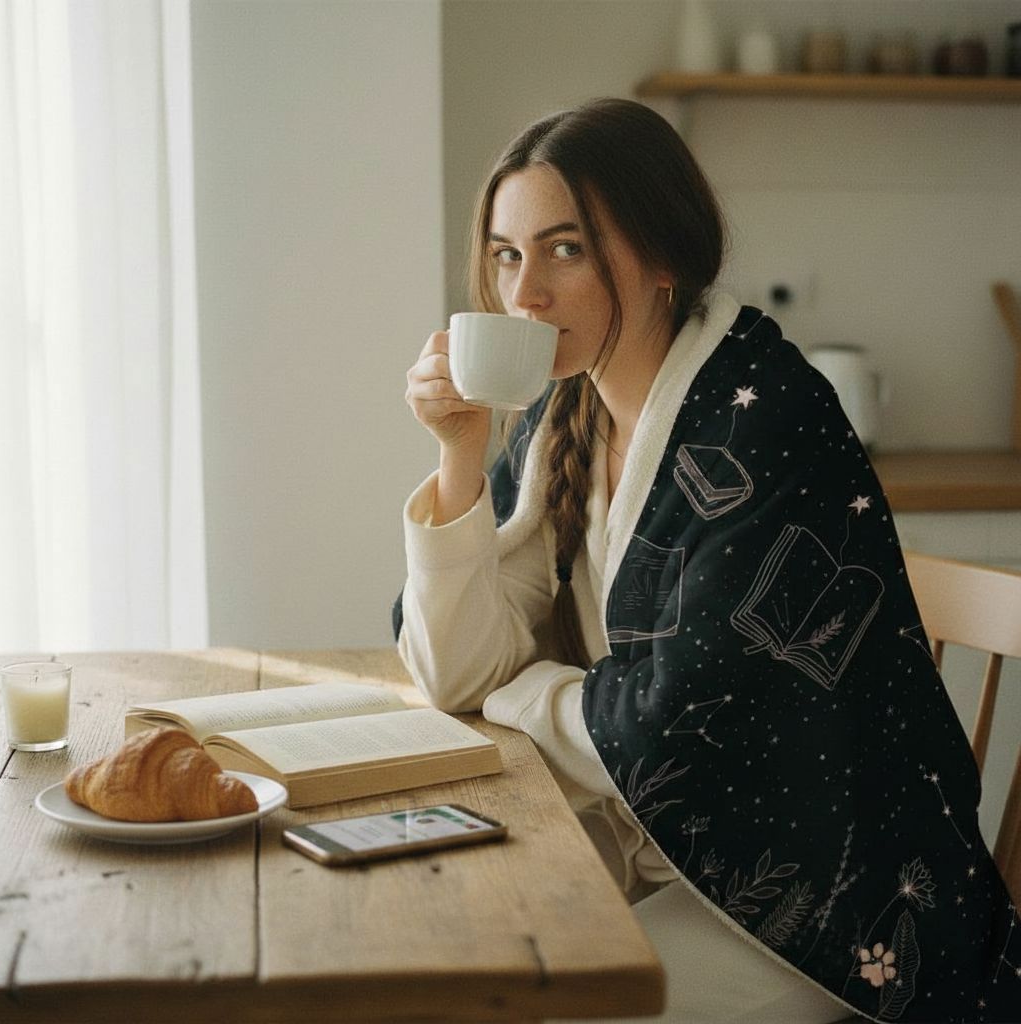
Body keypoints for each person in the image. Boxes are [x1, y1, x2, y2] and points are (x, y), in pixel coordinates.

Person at [394, 98, 1021, 1023]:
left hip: (832, 913)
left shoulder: (763, 421)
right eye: (506, 254)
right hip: (676, 857)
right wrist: (457, 454)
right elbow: (456, 672)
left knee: (549, 1007)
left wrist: (521, 693)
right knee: (445, 959)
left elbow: (667, 728)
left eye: (566, 250)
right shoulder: (566, 414)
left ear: (661, 258)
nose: (524, 294)